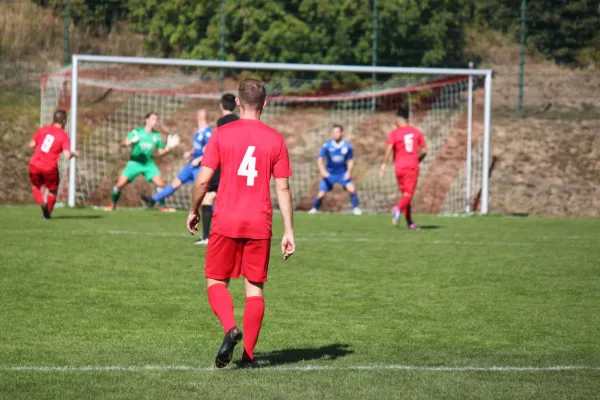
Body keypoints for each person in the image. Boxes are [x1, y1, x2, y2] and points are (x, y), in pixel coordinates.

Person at [186, 79, 295, 369]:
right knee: (254, 289)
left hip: (225, 219)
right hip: (260, 222)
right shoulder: (276, 139)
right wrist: (289, 230)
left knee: (215, 281)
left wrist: (194, 209)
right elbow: (283, 189)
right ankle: (248, 356)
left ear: (237, 102)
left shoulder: (222, 133)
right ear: (265, 104)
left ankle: (230, 328)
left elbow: (202, 180)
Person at [106, 112, 179, 211]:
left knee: (161, 184)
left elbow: (160, 152)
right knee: (120, 184)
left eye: (156, 120)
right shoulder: (137, 132)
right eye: (153, 119)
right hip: (134, 163)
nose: (155, 122)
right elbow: (122, 143)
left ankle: (162, 207)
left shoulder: (156, 136)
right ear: (147, 120)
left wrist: (169, 147)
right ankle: (112, 205)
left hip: (148, 164)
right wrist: (130, 141)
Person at [141, 109, 212, 209]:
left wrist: (199, 159)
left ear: (200, 117)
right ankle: (153, 200)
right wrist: (190, 152)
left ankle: (216, 211)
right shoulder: (198, 131)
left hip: (201, 167)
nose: (196, 117)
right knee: (176, 183)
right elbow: (199, 148)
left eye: (198, 115)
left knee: (203, 192)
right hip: (192, 165)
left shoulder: (208, 133)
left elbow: (211, 151)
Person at [193, 93, 239, 245]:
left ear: (221, 105)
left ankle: (207, 236)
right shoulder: (239, 121)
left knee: (210, 198)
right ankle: (228, 235)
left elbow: (222, 142)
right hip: (236, 164)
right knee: (221, 198)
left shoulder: (222, 122)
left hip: (223, 164)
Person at [379, 107, 427, 229]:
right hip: (411, 166)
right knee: (408, 195)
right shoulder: (416, 132)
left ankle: (410, 222)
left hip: (399, 167)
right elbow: (424, 151)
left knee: (406, 195)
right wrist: (417, 159)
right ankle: (397, 209)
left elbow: (389, 149)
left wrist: (383, 165)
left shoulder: (394, 133)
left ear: (398, 119)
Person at [28, 110, 77, 219]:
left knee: (35, 186)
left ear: (53, 119)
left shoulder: (43, 129)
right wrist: (74, 153)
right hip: (49, 167)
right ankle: (47, 213)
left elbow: (31, 145)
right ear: (64, 121)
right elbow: (67, 155)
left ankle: (42, 204)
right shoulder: (64, 135)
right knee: (53, 191)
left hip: (34, 163)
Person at [308, 124, 362, 215]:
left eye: (337, 132)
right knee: (321, 194)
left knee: (352, 189)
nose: (335, 134)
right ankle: (314, 209)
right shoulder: (327, 145)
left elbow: (350, 160)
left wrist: (348, 172)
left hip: (342, 173)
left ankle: (356, 208)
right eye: (333, 132)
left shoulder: (347, 146)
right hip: (330, 173)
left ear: (341, 133)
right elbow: (320, 159)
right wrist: (323, 171)